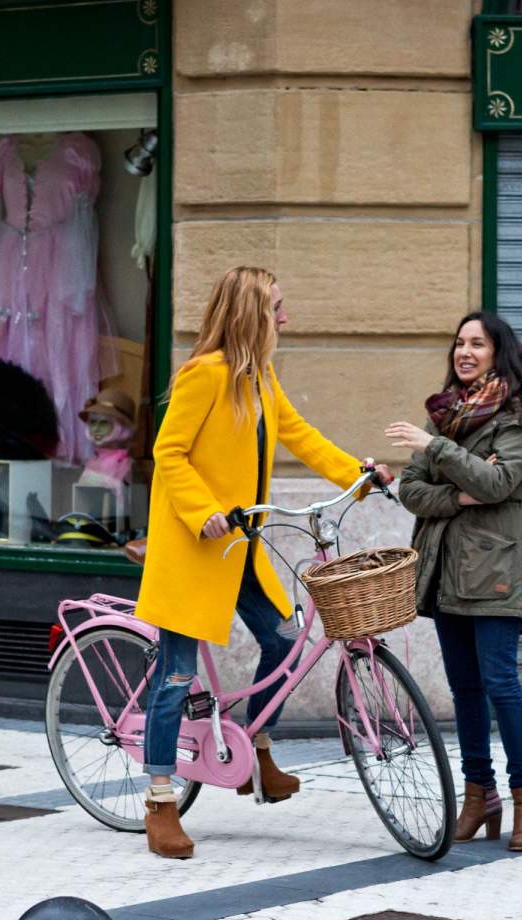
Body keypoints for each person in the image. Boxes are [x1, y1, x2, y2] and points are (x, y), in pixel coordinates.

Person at [134, 265, 393, 860]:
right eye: (276, 307)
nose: (285, 317)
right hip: (196, 548)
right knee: (176, 676)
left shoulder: (260, 378)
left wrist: (357, 474)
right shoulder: (205, 375)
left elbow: (301, 435)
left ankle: (259, 752)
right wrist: (202, 510)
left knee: (283, 640)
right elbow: (168, 452)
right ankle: (160, 799)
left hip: (241, 550)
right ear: (251, 314)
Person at [386, 311, 522, 853]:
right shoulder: (446, 413)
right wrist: (458, 493)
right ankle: (478, 795)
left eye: (477, 344)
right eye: (459, 343)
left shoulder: (519, 416)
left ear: (498, 353)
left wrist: (439, 451)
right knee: (464, 689)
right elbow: (411, 490)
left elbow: (498, 481)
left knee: (501, 684)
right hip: (445, 571)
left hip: (496, 572)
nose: (464, 352)